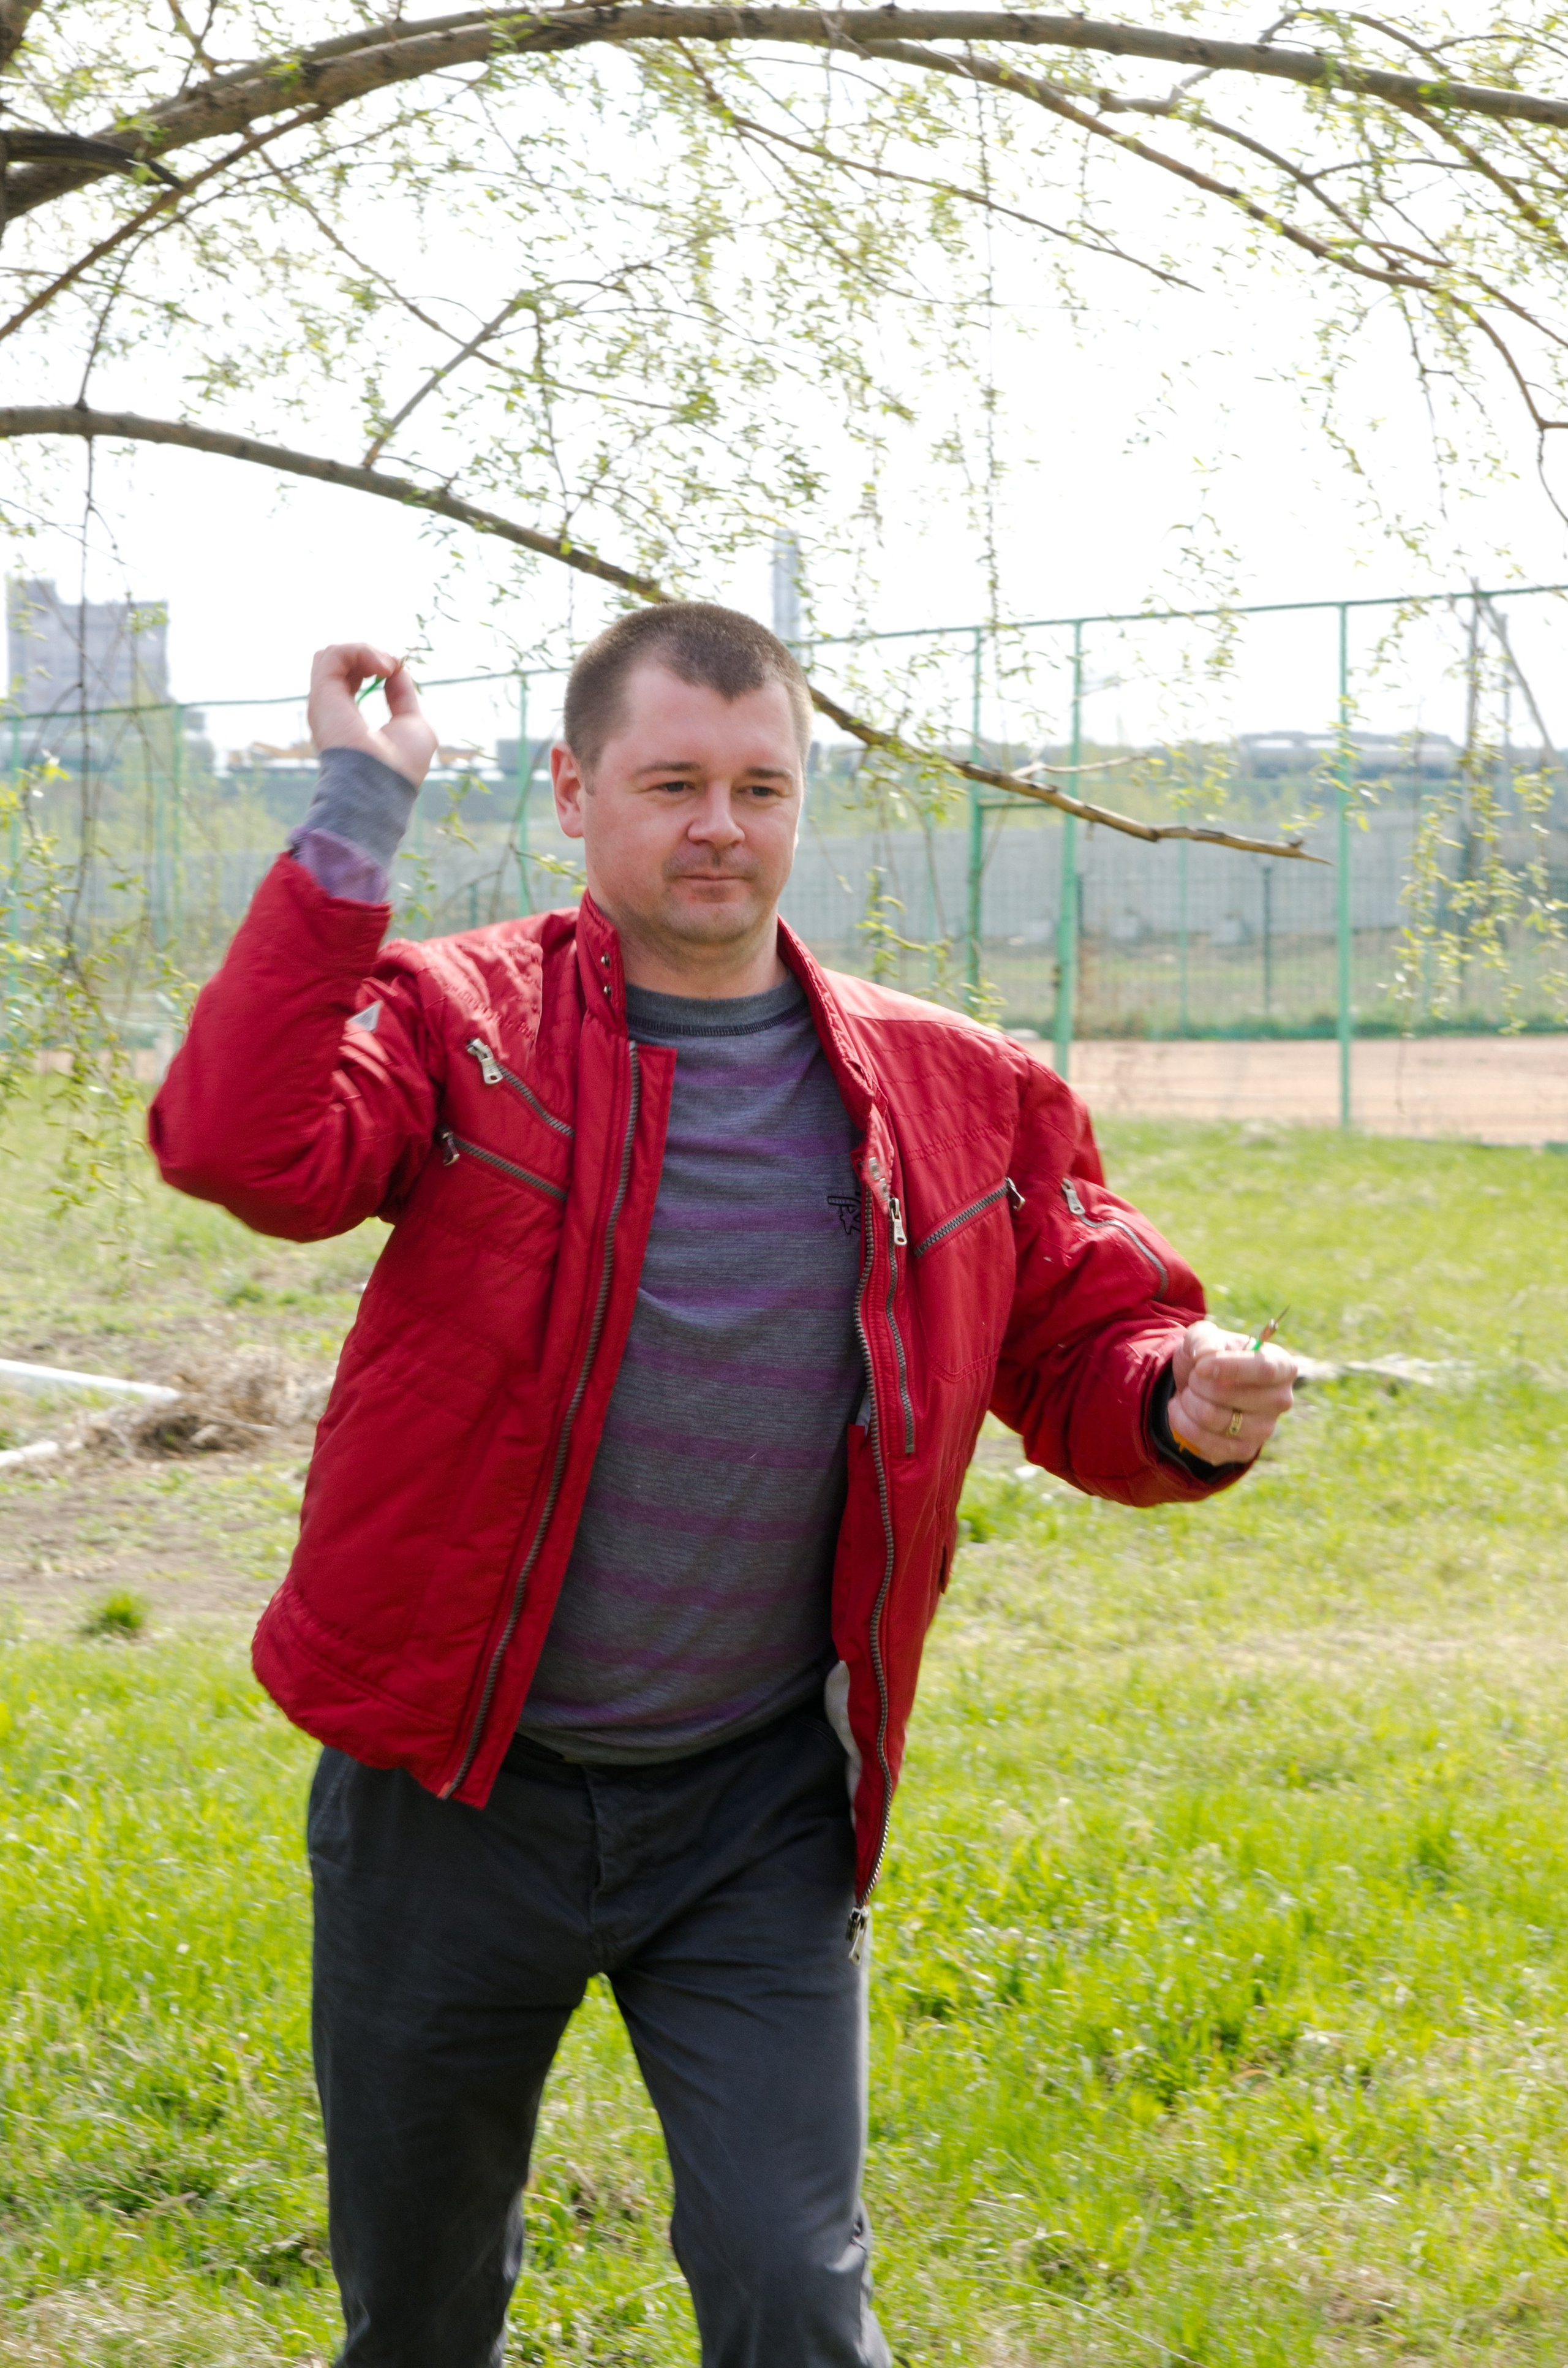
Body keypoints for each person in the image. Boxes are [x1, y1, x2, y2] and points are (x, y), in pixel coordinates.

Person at [149, 603, 1296, 2368]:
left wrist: (1177, 1403)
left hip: (754, 1808)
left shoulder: (955, 1091)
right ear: (573, 791)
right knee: (422, 2307)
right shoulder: (466, 1026)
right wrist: (352, 815)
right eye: (673, 780)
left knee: (792, 2290)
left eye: (760, 784)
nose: (720, 825)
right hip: (449, 1795)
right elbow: (242, 1143)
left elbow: (1090, 1343)